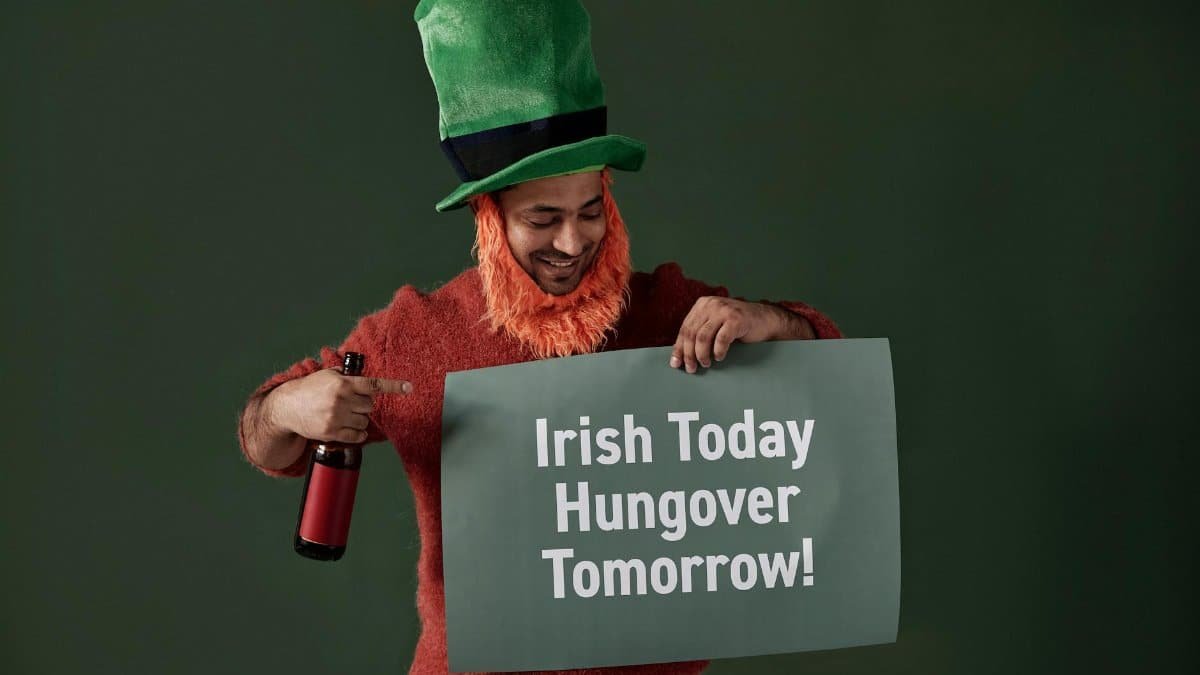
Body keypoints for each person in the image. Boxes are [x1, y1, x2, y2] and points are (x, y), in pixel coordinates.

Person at [236, 2, 842, 673]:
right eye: (542, 218)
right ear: (487, 216)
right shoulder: (418, 334)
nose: (573, 240)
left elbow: (832, 389)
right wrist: (290, 406)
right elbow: (267, 437)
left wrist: (776, 321)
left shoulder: (668, 312)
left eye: (591, 211)